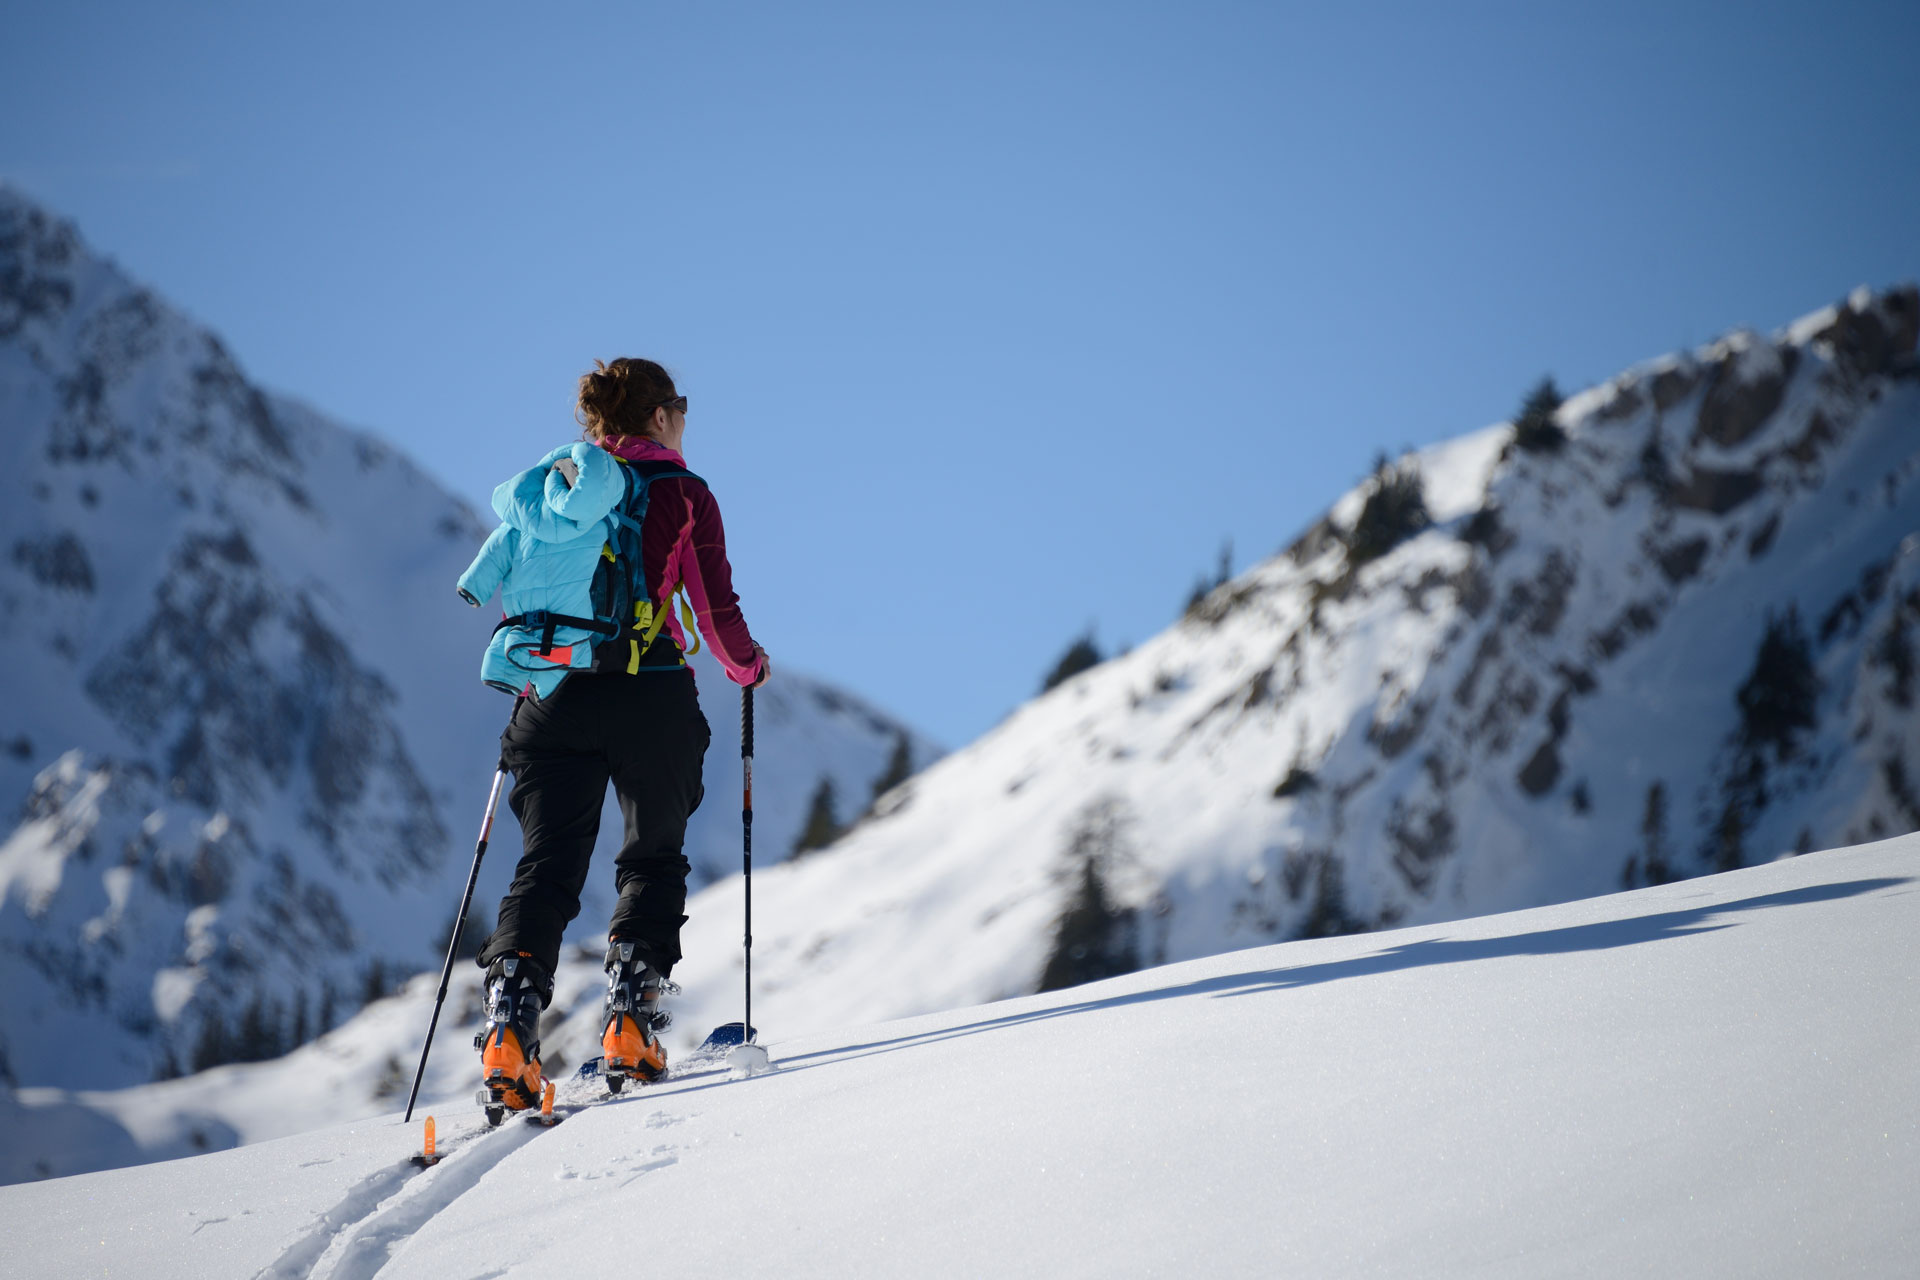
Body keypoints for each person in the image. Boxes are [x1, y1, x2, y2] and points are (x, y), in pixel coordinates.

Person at [454, 357, 768, 1112]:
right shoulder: (684, 494)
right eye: (681, 405)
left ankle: (509, 1029)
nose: (686, 417)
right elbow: (716, 615)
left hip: (552, 694)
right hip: (650, 692)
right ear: (659, 417)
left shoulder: (554, 491)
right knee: (652, 855)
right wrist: (749, 669)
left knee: (546, 866)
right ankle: (630, 1019)